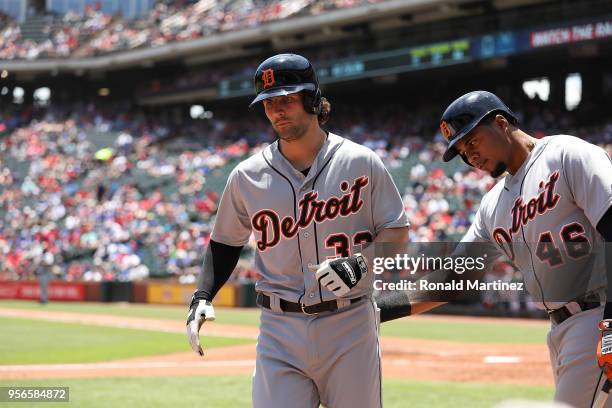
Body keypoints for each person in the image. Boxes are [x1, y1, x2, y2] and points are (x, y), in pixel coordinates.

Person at [186, 53, 409, 408]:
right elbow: (225, 242)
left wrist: (361, 263)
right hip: (278, 328)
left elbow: (397, 234)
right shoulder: (246, 176)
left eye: (287, 100)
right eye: (269, 103)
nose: (277, 111)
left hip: (350, 323)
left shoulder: (361, 161)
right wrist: (203, 294)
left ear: (313, 100)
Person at [374, 90, 612, 407]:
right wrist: (373, 309)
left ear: (501, 123)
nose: (469, 156)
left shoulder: (567, 155)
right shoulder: (493, 205)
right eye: (460, 150)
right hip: (561, 329)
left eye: (472, 141)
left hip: (597, 316)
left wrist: (609, 325)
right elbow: (451, 280)